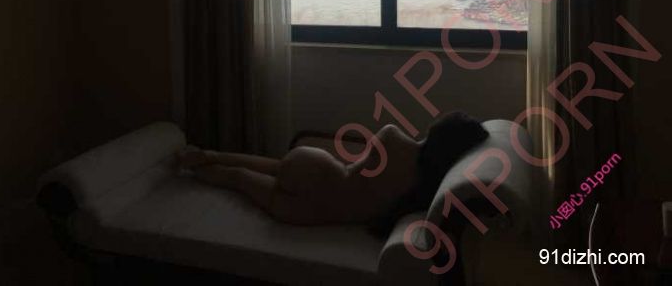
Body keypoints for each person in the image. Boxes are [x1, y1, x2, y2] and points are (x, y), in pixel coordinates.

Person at [178, 111, 488, 233]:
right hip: (312, 211)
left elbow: (360, 166)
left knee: (274, 166)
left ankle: (205, 157)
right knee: (238, 179)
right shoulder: (424, 192)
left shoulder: (394, 138)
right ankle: (202, 164)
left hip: (319, 168)